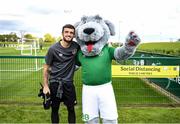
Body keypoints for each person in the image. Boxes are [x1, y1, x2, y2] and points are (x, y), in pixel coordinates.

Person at [43, 24, 79, 123]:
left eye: (71, 33)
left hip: (68, 84)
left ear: (74, 35)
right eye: (66, 32)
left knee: (71, 109)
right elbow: (46, 68)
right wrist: (46, 86)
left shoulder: (76, 47)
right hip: (55, 83)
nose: (69, 34)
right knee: (54, 109)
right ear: (62, 33)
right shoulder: (53, 49)